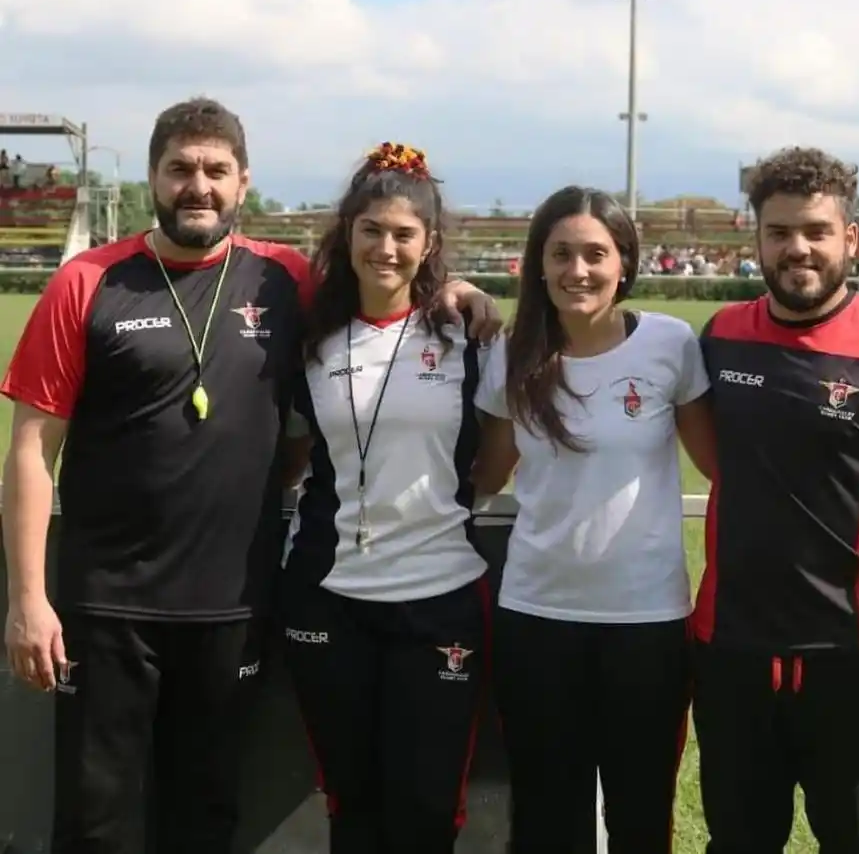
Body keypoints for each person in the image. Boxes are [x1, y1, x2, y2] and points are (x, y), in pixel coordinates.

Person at [0, 103, 501, 854]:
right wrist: (28, 600)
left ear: (243, 181)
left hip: (233, 605)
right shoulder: (86, 281)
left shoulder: (282, 278)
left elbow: (384, 272)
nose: (197, 186)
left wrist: (453, 287)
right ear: (152, 178)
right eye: (180, 168)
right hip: (106, 605)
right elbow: (30, 451)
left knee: (206, 817)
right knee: (95, 821)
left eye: (216, 170)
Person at [692, 146, 859, 854]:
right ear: (757, 239)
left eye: (816, 231)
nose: (799, 248)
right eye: (780, 232)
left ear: (850, 237)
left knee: (856, 843)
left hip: (857, 655)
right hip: (732, 649)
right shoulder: (721, 336)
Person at [472, 186, 716, 853]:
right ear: (538, 264)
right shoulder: (510, 355)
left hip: (647, 624)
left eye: (594, 254)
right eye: (560, 254)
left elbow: (720, 467)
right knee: (547, 818)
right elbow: (486, 477)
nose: (577, 270)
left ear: (624, 262)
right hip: (536, 618)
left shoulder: (669, 344)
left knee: (642, 815)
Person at [279, 142, 491, 854]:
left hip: (439, 596)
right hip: (327, 595)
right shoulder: (310, 339)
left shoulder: (468, 336)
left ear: (429, 244)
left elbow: (497, 459)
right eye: (371, 230)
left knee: (427, 806)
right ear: (348, 234)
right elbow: (292, 457)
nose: (386, 248)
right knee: (351, 800)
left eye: (404, 233)